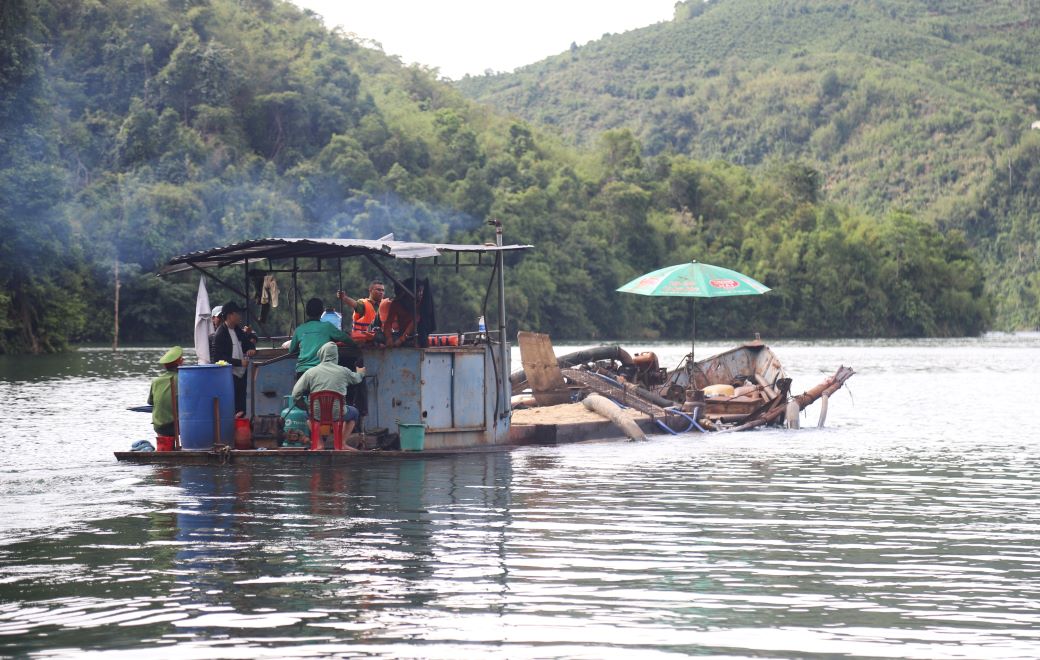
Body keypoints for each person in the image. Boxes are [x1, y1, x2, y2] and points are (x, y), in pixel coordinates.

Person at [291, 341, 364, 447]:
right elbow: (357, 379)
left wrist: (306, 406)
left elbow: (295, 394)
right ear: (336, 355)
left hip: (316, 414)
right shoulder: (344, 371)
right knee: (354, 413)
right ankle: (342, 443)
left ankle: (319, 444)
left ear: (321, 354)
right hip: (338, 414)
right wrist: (361, 373)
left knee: (307, 415)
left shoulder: (310, 372)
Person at [288, 297, 358, 378]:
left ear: (307, 312)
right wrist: (356, 345)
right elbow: (346, 339)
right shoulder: (327, 327)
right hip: (322, 372)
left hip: (302, 372)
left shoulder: (299, 330)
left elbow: (291, 350)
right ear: (321, 312)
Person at [211, 301, 256, 417]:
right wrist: (239, 362)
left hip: (241, 373)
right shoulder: (220, 334)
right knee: (233, 406)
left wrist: (251, 349)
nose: (240, 316)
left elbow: (247, 343)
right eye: (237, 313)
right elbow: (218, 358)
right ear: (230, 315)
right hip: (229, 375)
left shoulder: (237, 330)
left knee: (242, 406)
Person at [337, 280, 386, 345]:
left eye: (383, 290)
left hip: (381, 342)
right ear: (370, 290)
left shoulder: (385, 305)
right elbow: (355, 304)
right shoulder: (363, 304)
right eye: (378, 290)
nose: (381, 292)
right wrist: (344, 298)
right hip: (362, 342)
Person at [149, 346, 183, 437]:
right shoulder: (184, 379)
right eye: (182, 359)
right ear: (180, 363)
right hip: (177, 425)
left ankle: (165, 444)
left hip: (159, 427)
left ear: (165, 366)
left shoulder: (156, 381)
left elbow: (151, 402)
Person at [382, 280, 422, 348]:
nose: (420, 294)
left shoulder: (420, 304)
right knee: (378, 337)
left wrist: (401, 339)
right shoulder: (396, 303)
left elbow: (414, 322)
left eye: (420, 291)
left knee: (413, 342)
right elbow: (388, 322)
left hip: (416, 336)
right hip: (401, 334)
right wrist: (388, 338)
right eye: (419, 291)